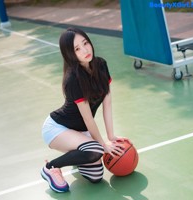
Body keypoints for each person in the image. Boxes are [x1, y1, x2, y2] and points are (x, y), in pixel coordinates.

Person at [41, 27, 128, 193]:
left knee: (95, 177)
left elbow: (107, 103)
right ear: (70, 54)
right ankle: (50, 168)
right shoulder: (73, 79)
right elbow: (89, 119)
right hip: (57, 129)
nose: (85, 50)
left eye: (85, 43)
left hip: (80, 131)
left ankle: (79, 151)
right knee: (96, 149)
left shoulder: (101, 64)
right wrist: (103, 144)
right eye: (77, 49)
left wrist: (111, 136)